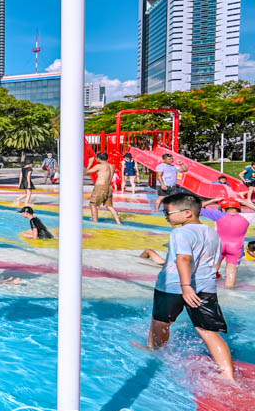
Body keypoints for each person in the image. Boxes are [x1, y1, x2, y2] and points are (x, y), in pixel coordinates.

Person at [141, 193, 234, 381]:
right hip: (205, 286)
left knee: (160, 323)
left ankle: (155, 353)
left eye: (168, 213)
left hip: (174, 286)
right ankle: (228, 375)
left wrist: (186, 286)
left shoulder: (180, 232)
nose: (166, 216)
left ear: (187, 213)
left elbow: (184, 258)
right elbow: (215, 263)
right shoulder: (212, 232)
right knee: (207, 331)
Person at [200, 196, 255, 289]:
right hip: (235, 247)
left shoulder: (218, 214)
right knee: (231, 271)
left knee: (213, 268)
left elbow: (196, 208)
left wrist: (213, 200)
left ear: (223, 209)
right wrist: (246, 203)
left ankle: (204, 288)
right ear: (239, 208)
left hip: (219, 246)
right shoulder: (247, 216)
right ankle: (229, 292)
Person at [86, 152, 122, 225]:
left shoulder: (99, 166)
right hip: (109, 188)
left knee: (92, 205)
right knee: (110, 206)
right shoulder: (112, 166)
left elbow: (87, 172)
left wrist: (90, 163)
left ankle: (95, 223)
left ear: (99, 159)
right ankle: (118, 222)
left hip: (100, 187)